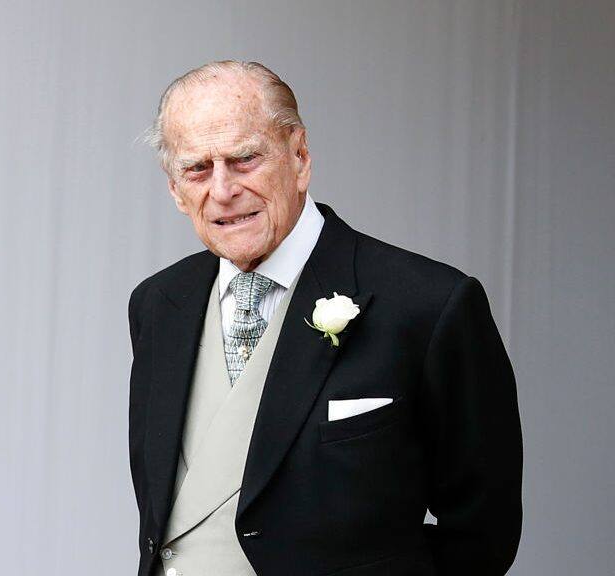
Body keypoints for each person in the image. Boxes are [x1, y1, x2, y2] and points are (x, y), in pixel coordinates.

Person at [127, 60, 522, 576]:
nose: (222, 190)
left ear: (299, 155)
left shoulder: (429, 304)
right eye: (197, 168)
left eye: (244, 159)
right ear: (174, 188)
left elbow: (482, 532)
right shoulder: (158, 304)